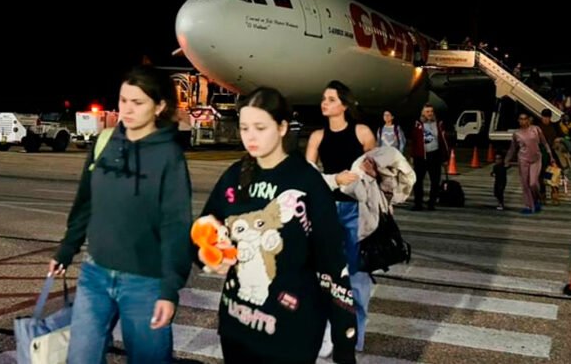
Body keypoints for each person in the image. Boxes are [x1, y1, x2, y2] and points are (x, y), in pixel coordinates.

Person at [197, 87, 356, 364]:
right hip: (236, 328)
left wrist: (344, 339)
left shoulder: (307, 182)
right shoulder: (234, 176)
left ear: (282, 127)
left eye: (260, 128)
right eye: (244, 128)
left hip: (292, 332)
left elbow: (332, 263)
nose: (251, 136)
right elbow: (204, 230)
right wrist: (207, 256)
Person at [49, 65, 193, 364]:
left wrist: (169, 290)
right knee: (80, 358)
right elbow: (85, 202)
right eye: (123, 100)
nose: (127, 109)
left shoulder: (169, 156)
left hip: (145, 282)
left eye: (137, 102)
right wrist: (66, 248)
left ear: (159, 106)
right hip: (95, 275)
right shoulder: (105, 141)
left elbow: (176, 226)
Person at [304, 80, 376, 356]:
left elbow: (376, 169)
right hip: (327, 210)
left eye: (331, 99)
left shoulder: (362, 132)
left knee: (357, 274)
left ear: (344, 104)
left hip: (357, 210)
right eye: (324, 98)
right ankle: (326, 333)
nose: (325, 103)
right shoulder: (317, 137)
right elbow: (308, 176)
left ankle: (354, 335)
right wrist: (335, 179)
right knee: (324, 273)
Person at [507, 113, 553, 214]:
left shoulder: (536, 129)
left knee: (533, 183)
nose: (523, 121)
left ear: (528, 120)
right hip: (523, 159)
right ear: (518, 120)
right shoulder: (517, 133)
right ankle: (529, 205)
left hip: (536, 159)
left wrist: (551, 155)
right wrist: (507, 160)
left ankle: (537, 199)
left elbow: (544, 142)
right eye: (521, 119)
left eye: (525, 119)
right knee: (525, 183)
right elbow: (512, 148)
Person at [409, 103, 450, 211]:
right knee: (418, 181)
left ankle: (431, 203)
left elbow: (444, 141)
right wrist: (412, 155)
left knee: (435, 181)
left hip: (435, 155)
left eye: (431, 111)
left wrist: (445, 157)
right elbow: (414, 141)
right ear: (423, 113)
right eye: (427, 112)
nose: (430, 114)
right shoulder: (418, 124)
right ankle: (418, 203)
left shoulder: (438, 124)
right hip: (421, 157)